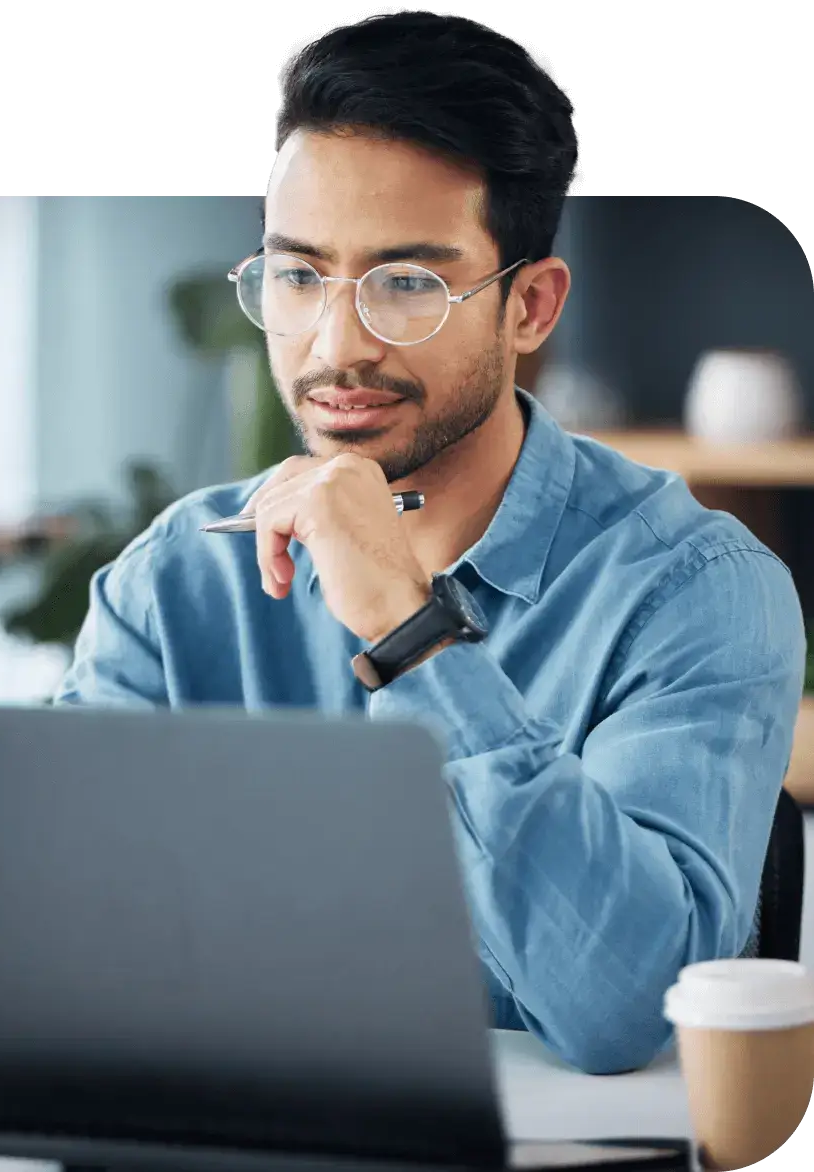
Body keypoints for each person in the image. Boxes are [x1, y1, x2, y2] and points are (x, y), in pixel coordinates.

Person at [54, 11, 806, 1074]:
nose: (336, 342)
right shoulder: (177, 577)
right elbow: (55, 941)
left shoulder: (694, 590)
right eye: (298, 275)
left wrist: (412, 632)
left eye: (406, 283)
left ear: (529, 307)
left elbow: (625, 1007)